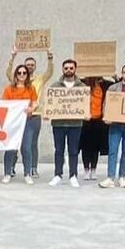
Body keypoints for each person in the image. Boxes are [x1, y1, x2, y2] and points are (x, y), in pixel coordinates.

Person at [6, 48, 54, 178]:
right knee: (15, 142)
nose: (30, 67)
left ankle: (33, 168)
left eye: (32, 65)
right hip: (17, 116)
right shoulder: (17, 79)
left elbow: (49, 72)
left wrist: (49, 57)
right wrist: (12, 58)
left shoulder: (40, 79)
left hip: (34, 115)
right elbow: (8, 73)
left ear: (35, 67)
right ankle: (11, 167)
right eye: (28, 65)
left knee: (31, 143)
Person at [47, 59, 88, 188]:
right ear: (63, 69)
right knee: (59, 150)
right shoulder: (55, 86)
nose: (69, 70)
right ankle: (58, 174)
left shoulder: (82, 87)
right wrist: (47, 112)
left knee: (73, 151)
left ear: (75, 69)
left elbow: (86, 103)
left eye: (71, 68)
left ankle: (73, 175)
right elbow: (49, 103)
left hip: (75, 124)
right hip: (58, 124)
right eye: (66, 68)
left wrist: (87, 113)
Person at [1, 64, 38, 185]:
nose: (22, 75)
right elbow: (4, 105)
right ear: (16, 75)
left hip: (27, 121)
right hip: (12, 122)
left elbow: (35, 102)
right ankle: (7, 173)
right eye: (19, 73)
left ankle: (27, 173)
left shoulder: (31, 88)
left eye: (24, 73)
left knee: (26, 148)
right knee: (10, 148)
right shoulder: (9, 89)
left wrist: (32, 108)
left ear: (27, 75)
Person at [79, 76, 112, 181]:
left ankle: (93, 169)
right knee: (85, 146)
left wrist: (114, 76)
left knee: (95, 147)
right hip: (85, 120)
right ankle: (86, 170)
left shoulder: (105, 84)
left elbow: (116, 87)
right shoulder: (81, 83)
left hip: (99, 120)